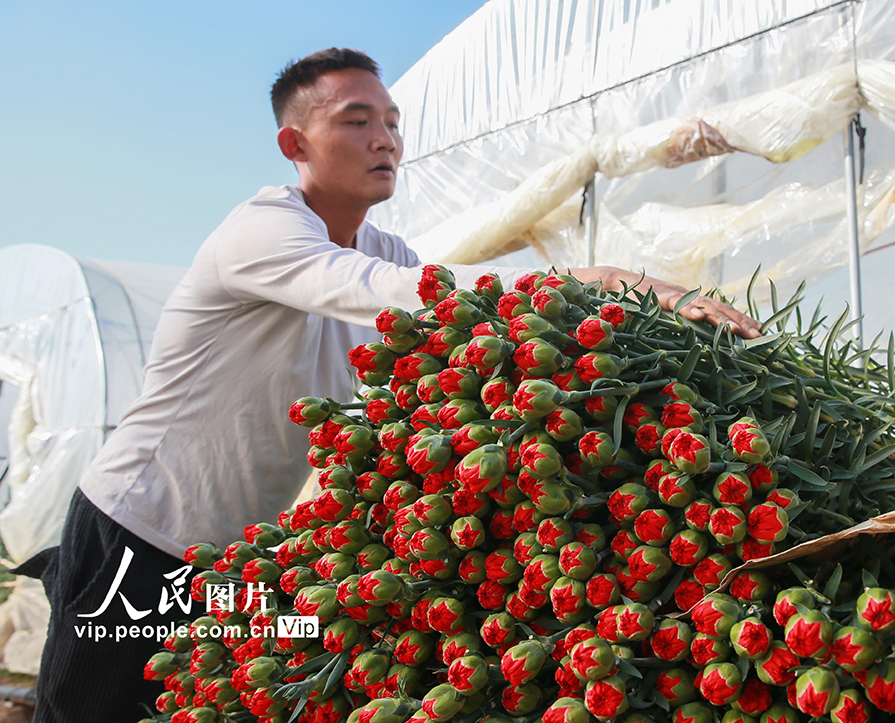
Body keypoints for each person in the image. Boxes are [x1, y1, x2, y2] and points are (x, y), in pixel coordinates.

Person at [24, 48, 760, 723]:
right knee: (88, 710)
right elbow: (400, 293)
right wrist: (597, 280)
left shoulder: (381, 244)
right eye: (356, 121)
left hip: (226, 559)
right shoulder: (262, 230)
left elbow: (455, 332)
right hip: (140, 530)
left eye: (392, 122)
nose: (385, 139)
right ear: (295, 145)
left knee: (201, 692)